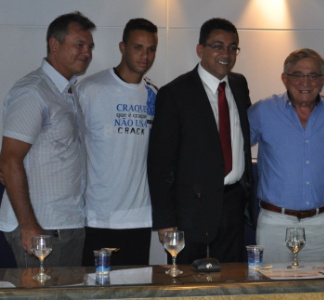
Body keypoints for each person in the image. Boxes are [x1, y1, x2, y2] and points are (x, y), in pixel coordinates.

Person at [148, 18, 252, 263]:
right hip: (191, 213)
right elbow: (160, 163)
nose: (226, 53)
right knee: (188, 286)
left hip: (233, 206)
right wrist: (165, 222)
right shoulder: (174, 94)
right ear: (200, 49)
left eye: (232, 47)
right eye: (218, 46)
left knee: (230, 283)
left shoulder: (239, 85)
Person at [0, 11, 95, 267]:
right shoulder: (33, 91)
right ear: (54, 45)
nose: (86, 52)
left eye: (89, 46)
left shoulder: (67, 91)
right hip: (41, 232)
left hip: (68, 226)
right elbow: (9, 161)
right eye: (79, 45)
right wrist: (28, 225)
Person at [76, 18, 158, 266]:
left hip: (139, 218)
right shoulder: (90, 89)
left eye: (151, 49)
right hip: (98, 217)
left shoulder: (155, 94)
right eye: (137, 47)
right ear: (122, 47)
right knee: (94, 290)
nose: (145, 55)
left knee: (134, 291)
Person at [249, 48, 324, 264]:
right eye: (298, 75)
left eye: (313, 76)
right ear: (284, 78)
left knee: (321, 293)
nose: (306, 82)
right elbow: (232, 146)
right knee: (272, 291)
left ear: (322, 80)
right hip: (274, 222)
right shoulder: (263, 111)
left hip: (321, 224)